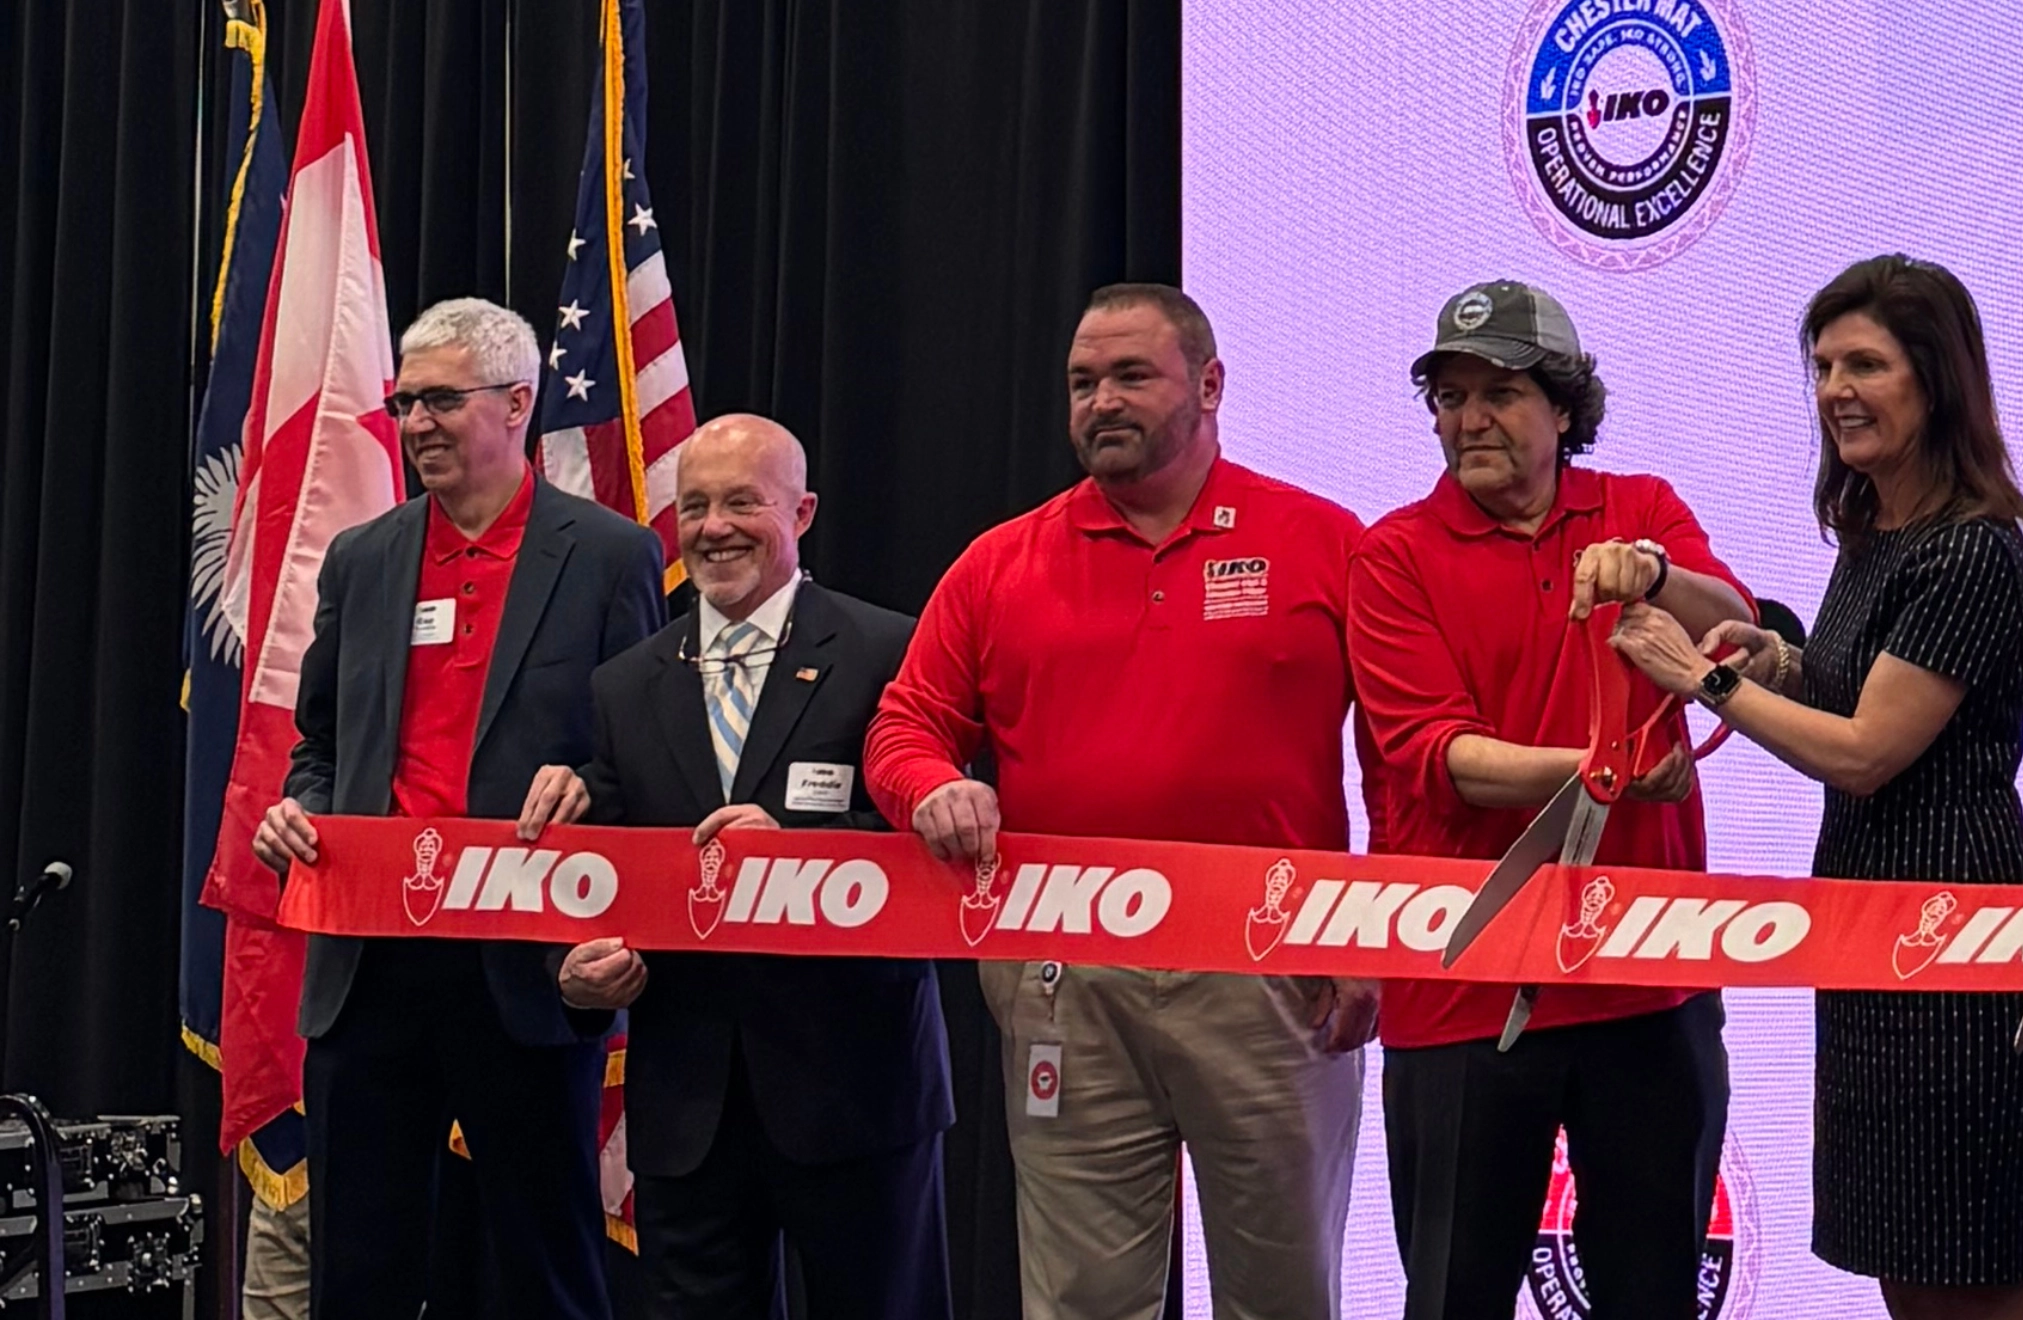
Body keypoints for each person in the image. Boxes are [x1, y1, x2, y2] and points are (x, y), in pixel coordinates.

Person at [863, 282, 1378, 1320]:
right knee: (1081, 1302)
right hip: (1068, 979)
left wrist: (1371, 939)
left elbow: (1399, 760)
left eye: (1131, 376)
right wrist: (933, 787)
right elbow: (902, 726)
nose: (1101, 401)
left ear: (1211, 384)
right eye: (1082, 382)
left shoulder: (1324, 541)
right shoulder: (1000, 563)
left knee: (1285, 1297)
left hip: (1272, 968)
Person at [1607, 254, 2023, 1320]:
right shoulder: (1875, 531)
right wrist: (1776, 662)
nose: (1836, 391)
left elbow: (1865, 752)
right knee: (1909, 1262)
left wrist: (1702, 680)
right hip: (1867, 937)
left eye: (1865, 365)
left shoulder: (1970, 552)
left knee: (1970, 1269)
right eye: (1822, 367)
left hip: (1954, 944)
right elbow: (1855, 693)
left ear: (1935, 380)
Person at [249, 297, 667, 1320]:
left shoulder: (610, 555)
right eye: (406, 403)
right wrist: (299, 812)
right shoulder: (363, 558)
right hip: (373, 961)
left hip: (523, 961)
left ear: (519, 403)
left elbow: (643, 756)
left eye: (441, 400)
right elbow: (319, 746)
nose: (417, 423)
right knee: (361, 1269)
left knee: (545, 1265)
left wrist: (591, 783)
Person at [1350, 279, 1749, 1320]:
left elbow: (1736, 626)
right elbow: (1439, 757)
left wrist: (1653, 575)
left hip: (1648, 976)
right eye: (1451, 397)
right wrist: (1603, 766)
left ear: (1565, 407)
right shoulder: (1393, 555)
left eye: (1501, 393)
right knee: (1455, 1299)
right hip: (1463, 990)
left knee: (1654, 1300)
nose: (1470, 420)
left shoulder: (1641, 510)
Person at [512, 415, 951, 1320]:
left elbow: (936, 846)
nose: (715, 528)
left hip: (858, 1091)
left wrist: (795, 849)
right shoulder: (623, 684)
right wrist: (570, 968)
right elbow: (596, 869)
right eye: (695, 506)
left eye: (743, 503)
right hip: (688, 1107)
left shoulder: (890, 649)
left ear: (803, 512)